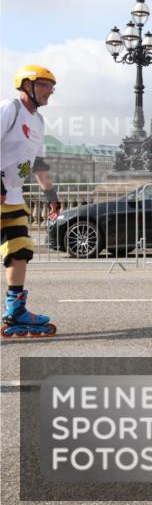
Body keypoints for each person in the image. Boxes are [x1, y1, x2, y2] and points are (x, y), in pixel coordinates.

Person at [1, 65, 61, 337]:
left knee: (20, 249)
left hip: (12, 198)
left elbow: (37, 164)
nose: (52, 91)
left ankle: (15, 310)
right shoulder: (10, 109)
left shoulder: (38, 122)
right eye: (48, 84)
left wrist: (51, 195)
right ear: (29, 84)